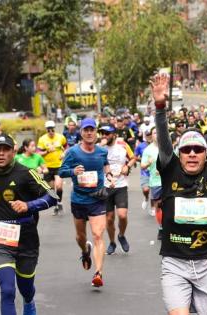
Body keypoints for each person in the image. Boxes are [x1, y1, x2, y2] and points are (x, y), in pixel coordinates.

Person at [151, 69, 207, 315]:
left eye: (198, 149)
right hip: (175, 263)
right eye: (186, 150)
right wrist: (159, 106)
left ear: (206, 155)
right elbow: (164, 140)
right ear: (179, 154)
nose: (192, 154)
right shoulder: (169, 167)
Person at [0, 134, 58, 315]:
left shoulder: (26, 173)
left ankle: (29, 301)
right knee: (8, 290)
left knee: (26, 288)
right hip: (0, 240)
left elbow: (53, 196)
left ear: (13, 152)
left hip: (27, 239)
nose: (1, 154)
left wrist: (29, 205)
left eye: (6, 150)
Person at [59, 117, 110, 287]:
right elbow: (62, 171)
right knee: (81, 237)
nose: (89, 133)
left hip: (97, 199)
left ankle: (98, 273)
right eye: (86, 130)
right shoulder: (73, 152)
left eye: (92, 130)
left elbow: (105, 164)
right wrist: (73, 171)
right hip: (79, 199)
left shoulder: (102, 151)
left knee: (98, 235)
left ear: (96, 132)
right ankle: (84, 250)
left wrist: (109, 174)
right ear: (81, 133)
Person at [98, 123, 135, 255]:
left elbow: (133, 158)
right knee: (109, 218)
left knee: (122, 215)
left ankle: (121, 235)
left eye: (107, 133)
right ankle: (112, 242)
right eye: (102, 133)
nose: (104, 136)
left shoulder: (122, 144)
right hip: (106, 186)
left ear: (114, 134)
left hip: (121, 185)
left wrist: (127, 167)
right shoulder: (99, 148)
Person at [37, 120, 66, 215]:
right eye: (49, 130)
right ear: (46, 130)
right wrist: (47, 152)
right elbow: (38, 153)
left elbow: (67, 147)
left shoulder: (61, 137)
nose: (51, 131)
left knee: (59, 186)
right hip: (47, 167)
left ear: (54, 128)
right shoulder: (42, 139)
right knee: (51, 189)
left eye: (52, 129)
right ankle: (56, 205)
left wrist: (64, 153)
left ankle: (60, 202)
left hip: (59, 165)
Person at [140, 127, 164, 237]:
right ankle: (161, 227)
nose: (157, 134)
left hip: (169, 181)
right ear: (151, 135)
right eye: (155, 133)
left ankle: (170, 227)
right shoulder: (148, 150)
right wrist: (148, 163)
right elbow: (142, 166)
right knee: (158, 206)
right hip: (155, 182)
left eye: (159, 132)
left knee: (171, 205)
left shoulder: (167, 147)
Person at [135, 130, 152, 214]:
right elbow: (134, 157)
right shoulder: (140, 146)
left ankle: (153, 208)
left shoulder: (157, 146)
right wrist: (143, 160)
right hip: (145, 171)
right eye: (147, 135)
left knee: (154, 191)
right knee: (146, 190)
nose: (149, 137)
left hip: (155, 172)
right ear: (145, 136)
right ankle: (146, 198)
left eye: (150, 135)